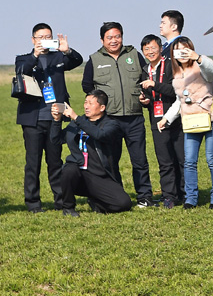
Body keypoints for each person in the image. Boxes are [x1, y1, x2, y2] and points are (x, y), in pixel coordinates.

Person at [82, 22, 155, 208]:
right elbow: (86, 86)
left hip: (134, 117)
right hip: (109, 120)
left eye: (117, 36)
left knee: (139, 160)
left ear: (122, 36)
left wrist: (145, 97)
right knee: (110, 161)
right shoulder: (94, 59)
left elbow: (146, 79)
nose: (114, 40)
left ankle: (145, 196)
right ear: (102, 40)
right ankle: (114, 195)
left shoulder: (134, 55)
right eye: (109, 37)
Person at [15, 23, 83, 212]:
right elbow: (21, 71)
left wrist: (67, 50)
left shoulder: (59, 57)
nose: (44, 40)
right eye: (40, 37)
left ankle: (61, 201)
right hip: (33, 119)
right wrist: (35, 55)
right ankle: (33, 203)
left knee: (55, 162)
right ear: (33, 40)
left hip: (55, 117)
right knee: (32, 162)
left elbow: (78, 60)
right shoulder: (23, 59)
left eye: (48, 36)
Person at [157, 37, 213, 209]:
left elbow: (212, 71)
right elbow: (180, 101)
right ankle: (191, 199)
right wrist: (166, 118)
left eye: (185, 49)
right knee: (189, 161)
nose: (182, 53)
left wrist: (198, 57)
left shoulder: (200, 66)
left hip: (211, 118)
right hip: (191, 121)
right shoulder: (177, 75)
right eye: (178, 50)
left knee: (212, 159)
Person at [50, 90, 133, 216]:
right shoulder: (78, 122)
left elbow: (99, 135)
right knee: (68, 170)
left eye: (91, 103)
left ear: (102, 107)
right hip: (78, 172)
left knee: (123, 203)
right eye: (85, 102)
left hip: (99, 175)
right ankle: (68, 208)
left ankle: (96, 200)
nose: (86, 106)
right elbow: (56, 140)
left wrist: (76, 118)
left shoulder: (112, 125)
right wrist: (56, 120)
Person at [139, 34, 183, 209]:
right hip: (156, 119)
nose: (150, 52)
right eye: (146, 49)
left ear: (160, 48)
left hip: (177, 118)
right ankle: (169, 196)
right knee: (165, 161)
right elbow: (149, 94)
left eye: (153, 48)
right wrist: (145, 101)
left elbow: (175, 91)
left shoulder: (171, 66)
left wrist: (154, 84)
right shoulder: (144, 69)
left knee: (182, 159)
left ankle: (185, 194)